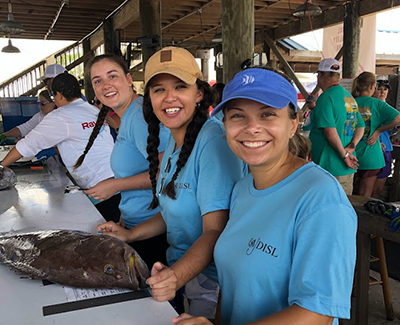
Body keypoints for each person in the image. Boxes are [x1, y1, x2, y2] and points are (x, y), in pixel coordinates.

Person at [173, 67, 357, 325]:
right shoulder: (242, 189)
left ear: (293, 124)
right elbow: (231, 287)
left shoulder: (321, 198)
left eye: (267, 114)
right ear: (224, 125)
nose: (252, 128)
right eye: (238, 116)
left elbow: (317, 314)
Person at [97, 47, 245, 318]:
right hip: (184, 272)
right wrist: (129, 234)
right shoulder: (174, 145)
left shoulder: (212, 142)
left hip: (213, 283)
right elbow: (171, 213)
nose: (169, 98)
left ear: (199, 94)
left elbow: (215, 230)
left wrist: (174, 277)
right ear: (150, 99)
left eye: (180, 86)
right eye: (158, 90)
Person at [77, 54, 170, 268]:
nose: (106, 85)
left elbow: (167, 171)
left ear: (129, 79)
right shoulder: (128, 116)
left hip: (154, 227)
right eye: (97, 80)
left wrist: (115, 186)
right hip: (137, 223)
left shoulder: (139, 116)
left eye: (112, 76)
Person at [0, 73, 119, 220]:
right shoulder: (91, 110)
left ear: (58, 95)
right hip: (120, 179)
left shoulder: (61, 116)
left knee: (111, 234)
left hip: (102, 188)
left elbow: (26, 145)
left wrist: (1, 166)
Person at [309, 58, 365, 195]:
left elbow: (329, 131)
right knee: (344, 206)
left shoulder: (326, 98)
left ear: (320, 75)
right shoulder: (349, 97)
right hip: (347, 167)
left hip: (329, 166)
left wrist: (344, 154)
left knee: (327, 208)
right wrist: (352, 146)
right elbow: (360, 126)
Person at [351, 72, 400, 197]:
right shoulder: (376, 103)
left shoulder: (349, 102)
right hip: (370, 155)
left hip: (349, 153)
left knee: (348, 193)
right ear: (373, 86)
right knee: (365, 196)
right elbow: (398, 118)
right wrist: (378, 130)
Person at [372, 80, 394, 198]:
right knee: (368, 188)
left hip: (386, 148)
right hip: (373, 149)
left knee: (379, 189)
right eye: (379, 89)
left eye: (385, 89)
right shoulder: (370, 107)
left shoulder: (389, 109)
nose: (382, 92)